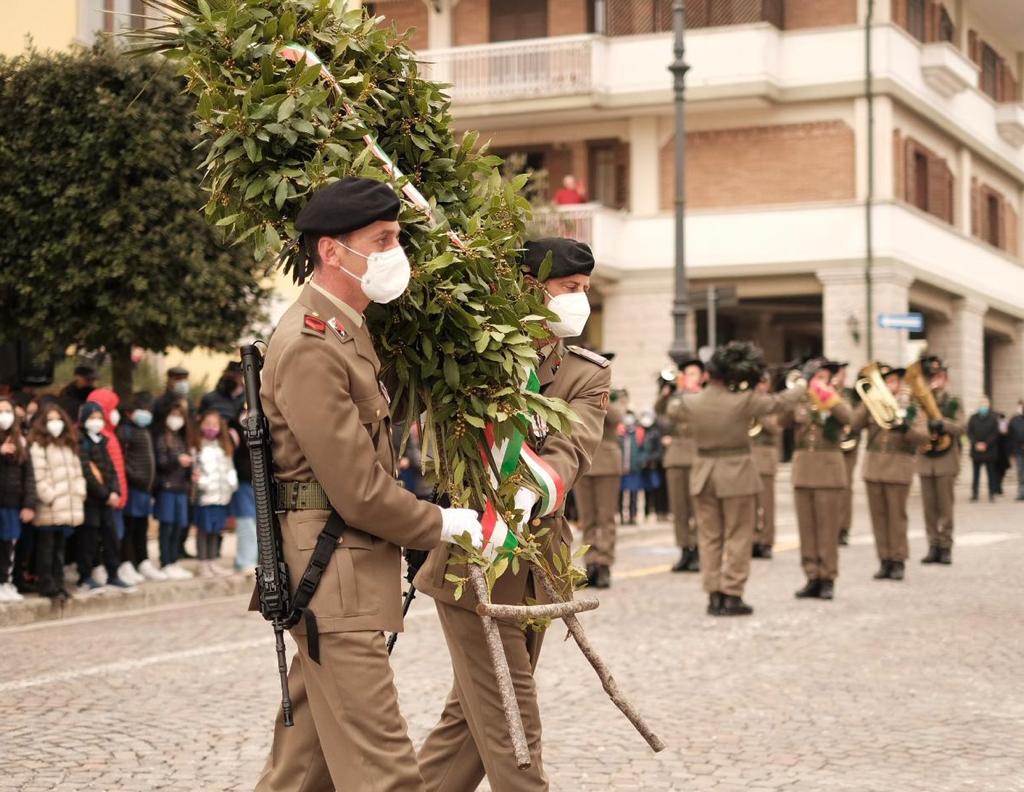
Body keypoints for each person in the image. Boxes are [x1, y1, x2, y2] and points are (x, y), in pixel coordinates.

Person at [253, 177, 483, 792]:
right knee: (385, 771)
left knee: (303, 770)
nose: (394, 253)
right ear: (332, 252)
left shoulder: (346, 331)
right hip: (332, 570)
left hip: (338, 566)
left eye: (397, 239)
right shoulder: (311, 344)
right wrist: (440, 524)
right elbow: (356, 487)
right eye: (381, 240)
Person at [416, 236, 610, 791]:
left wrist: (530, 490)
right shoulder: (472, 359)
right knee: (511, 717)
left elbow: (572, 446)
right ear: (530, 289)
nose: (581, 301)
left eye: (586, 291)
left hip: (538, 558)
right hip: (473, 555)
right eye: (569, 289)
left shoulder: (584, 373)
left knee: (470, 721)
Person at [666, 341, 805, 616]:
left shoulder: (691, 402)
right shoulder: (743, 401)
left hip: (703, 472)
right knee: (739, 535)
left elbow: (671, 409)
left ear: (707, 375)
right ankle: (732, 594)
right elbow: (780, 402)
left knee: (709, 537)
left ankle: (713, 593)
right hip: (737, 472)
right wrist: (801, 385)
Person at [851, 365, 928, 581]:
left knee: (896, 517)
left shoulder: (912, 407)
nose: (890, 385)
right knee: (878, 518)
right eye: (886, 381)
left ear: (901, 384)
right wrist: (865, 403)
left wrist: (906, 429)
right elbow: (854, 424)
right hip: (874, 467)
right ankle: (883, 559)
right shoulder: (873, 404)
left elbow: (923, 437)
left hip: (898, 468)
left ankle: (898, 559)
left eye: (894, 381)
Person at [786, 358, 851, 600]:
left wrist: (828, 396)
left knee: (827, 528)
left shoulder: (838, 397)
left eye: (824, 377)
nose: (820, 382)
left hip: (829, 470)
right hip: (804, 470)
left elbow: (849, 418)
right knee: (807, 529)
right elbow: (779, 421)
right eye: (817, 377)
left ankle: (828, 577)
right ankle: (811, 575)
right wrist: (795, 392)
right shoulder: (800, 399)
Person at [29, 405, 85, 600]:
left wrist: (79, 493)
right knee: (46, 547)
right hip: (49, 506)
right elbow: (38, 476)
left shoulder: (68, 445)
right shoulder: (38, 445)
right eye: (50, 419)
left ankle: (59, 583)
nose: (55, 424)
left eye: (58, 419)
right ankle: (46, 583)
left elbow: (78, 473)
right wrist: (50, 496)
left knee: (60, 547)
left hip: (67, 506)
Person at [656, 358, 704, 573]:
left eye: (693, 373)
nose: (689, 377)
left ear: (702, 377)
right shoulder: (675, 396)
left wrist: (685, 395)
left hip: (696, 455)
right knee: (679, 508)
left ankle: (699, 550)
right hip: (676, 456)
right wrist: (666, 391)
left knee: (697, 508)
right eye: (687, 374)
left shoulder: (704, 396)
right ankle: (684, 549)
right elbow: (660, 411)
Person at [77, 402, 132, 592]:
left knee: (111, 538)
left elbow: (112, 470)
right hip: (91, 501)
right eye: (92, 418)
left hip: (108, 500)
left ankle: (113, 574)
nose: (96, 422)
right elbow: (87, 473)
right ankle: (85, 576)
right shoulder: (80, 442)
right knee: (89, 540)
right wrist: (105, 494)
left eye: (99, 418)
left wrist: (115, 491)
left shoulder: (103, 441)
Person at [916, 356, 963, 566]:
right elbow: (914, 426)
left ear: (946, 378)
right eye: (933, 376)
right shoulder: (921, 401)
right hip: (926, 460)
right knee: (929, 508)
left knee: (946, 508)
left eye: (940, 376)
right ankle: (932, 545)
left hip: (945, 461)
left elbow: (961, 427)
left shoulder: (953, 401)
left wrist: (942, 423)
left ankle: (946, 547)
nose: (936, 380)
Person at [574, 389, 623, 589]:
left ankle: (604, 564)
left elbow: (616, 417)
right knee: (587, 518)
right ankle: (590, 563)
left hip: (607, 464)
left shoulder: (609, 395)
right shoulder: (578, 392)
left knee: (606, 517)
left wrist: (600, 393)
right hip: (583, 461)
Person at [119, 392, 162, 581]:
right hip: (133, 488)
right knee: (130, 526)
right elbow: (123, 460)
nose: (146, 413)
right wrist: (135, 477)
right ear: (129, 412)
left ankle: (142, 560)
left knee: (142, 526)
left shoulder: (144, 430)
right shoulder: (125, 431)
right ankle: (127, 561)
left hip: (145, 488)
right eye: (142, 410)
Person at [192, 410, 237, 577]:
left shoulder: (223, 445)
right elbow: (195, 471)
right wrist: (201, 484)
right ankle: (203, 563)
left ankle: (213, 561)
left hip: (221, 496)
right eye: (207, 424)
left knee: (216, 530)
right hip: (204, 497)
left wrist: (231, 486)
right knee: (204, 529)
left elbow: (229, 468)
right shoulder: (197, 446)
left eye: (214, 424)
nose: (211, 427)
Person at [0, 397, 36, 602]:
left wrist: (29, 503)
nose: (4, 416)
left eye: (7, 411)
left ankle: (5, 581)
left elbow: (29, 475)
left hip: (13, 503)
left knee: (8, 545)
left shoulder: (21, 440)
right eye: (0, 411)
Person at [154, 401, 194, 579]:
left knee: (179, 526)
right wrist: (178, 460)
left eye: (180, 416)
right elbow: (160, 463)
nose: (177, 419)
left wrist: (191, 472)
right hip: (167, 488)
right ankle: (166, 561)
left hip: (181, 488)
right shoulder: (162, 438)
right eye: (174, 415)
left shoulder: (181, 438)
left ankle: (174, 560)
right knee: (167, 526)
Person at [750, 373, 783, 560]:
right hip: (748, 457)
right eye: (757, 383)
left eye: (763, 383)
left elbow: (776, 427)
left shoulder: (771, 404)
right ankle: (752, 539)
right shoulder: (747, 402)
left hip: (765, 456)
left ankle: (766, 541)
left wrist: (759, 414)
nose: (760, 387)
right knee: (750, 504)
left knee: (766, 504)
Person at [832, 362, 860, 546]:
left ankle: (843, 528)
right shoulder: (824, 392)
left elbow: (856, 417)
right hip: (831, 445)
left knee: (845, 488)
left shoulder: (850, 394)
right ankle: (830, 526)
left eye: (843, 372)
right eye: (838, 372)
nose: (842, 375)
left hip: (848, 446)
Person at [229, 409, 257, 573]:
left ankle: (254, 558)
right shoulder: (234, 429)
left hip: (259, 484)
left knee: (260, 525)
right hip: (242, 484)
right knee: (246, 524)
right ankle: (244, 560)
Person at [967, 397, 1001, 502]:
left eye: (985, 404)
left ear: (988, 405)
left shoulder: (993, 418)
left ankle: (992, 493)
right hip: (976, 450)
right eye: (981, 404)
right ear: (979, 405)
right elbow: (969, 432)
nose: (983, 406)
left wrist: (986, 444)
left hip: (989, 450)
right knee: (975, 474)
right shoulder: (973, 418)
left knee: (991, 473)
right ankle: (974, 493)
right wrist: (976, 443)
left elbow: (995, 433)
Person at [618, 410, 644, 525]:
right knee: (620, 494)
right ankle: (622, 516)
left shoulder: (638, 433)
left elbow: (644, 449)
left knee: (634, 494)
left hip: (634, 469)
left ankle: (633, 516)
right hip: (621, 469)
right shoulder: (619, 434)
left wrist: (640, 461)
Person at [638, 408, 664, 521]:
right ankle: (646, 512)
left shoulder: (655, 433)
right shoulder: (639, 431)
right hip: (642, 467)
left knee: (654, 489)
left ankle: (655, 511)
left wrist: (649, 459)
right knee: (645, 490)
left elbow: (658, 451)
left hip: (652, 466)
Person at [152, 366, 192, 434]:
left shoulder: (189, 402)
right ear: (169, 380)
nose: (181, 382)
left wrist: (185, 410)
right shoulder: (160, 401)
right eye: (177, 379)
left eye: (184, 379)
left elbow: (192, 425)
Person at [1009, 401, 1024, 501]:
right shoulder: (1014, 420)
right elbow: (1011, 435)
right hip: (1019, 451)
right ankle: (1021, 493)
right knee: (1020, 472)